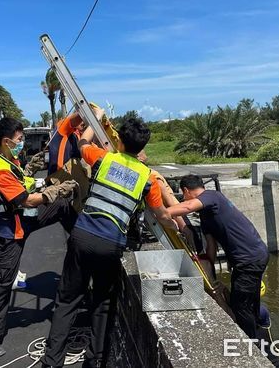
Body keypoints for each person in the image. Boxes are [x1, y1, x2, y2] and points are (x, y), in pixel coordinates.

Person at [41, 113, 177, 368]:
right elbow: (162, 215)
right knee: (102, 303)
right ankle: (95, 361)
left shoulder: (104, 158)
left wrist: (94, 119)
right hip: (111, 243)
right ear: (142, 148)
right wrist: (178, 225)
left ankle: (52, 363)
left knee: (67, 300)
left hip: (82, 235)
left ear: (120, 142)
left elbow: (82, 144)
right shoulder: (147, 177)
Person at [0, 117, 80, 357]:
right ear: (5, 141)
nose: (22, 143)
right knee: (3, 281)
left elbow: (25, 182)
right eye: (20, 139)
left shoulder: (8, 160)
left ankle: (81, 241)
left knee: (63, 207)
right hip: (10, 231)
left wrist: (42, 179)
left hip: (24, 220)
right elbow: (26, 199)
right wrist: (53, 191)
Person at [166, 174, 269, 339]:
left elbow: (186, 207)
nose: (184, 200)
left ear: (186, 191)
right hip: (251, 257)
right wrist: (208, 270)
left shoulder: (212, 196)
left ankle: (253, 345)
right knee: (248, 302)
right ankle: (258, 333)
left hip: (249, 258)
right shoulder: (206, 215)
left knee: (241, 306)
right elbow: (211, 245)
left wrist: (160, 212)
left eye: (183, 196)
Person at [48, 111, 84, 175]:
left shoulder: (77, 136)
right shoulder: (62, 128)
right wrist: (89, 110)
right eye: (82, 120)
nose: (83, 122)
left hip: (70, 178)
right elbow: (76, 118)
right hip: (58, 178)